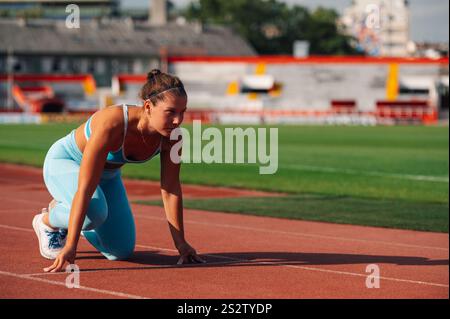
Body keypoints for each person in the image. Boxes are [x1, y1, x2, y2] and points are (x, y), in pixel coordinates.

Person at [32, 69, 204, 273]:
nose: (178, 120)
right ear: (148, 106)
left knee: (120, 251)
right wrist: (71, 246)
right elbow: (86, 187)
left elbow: (170, 189)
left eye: (182, 112)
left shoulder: (173, 138)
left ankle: (76, 215)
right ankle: (48, 221)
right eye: (171, 112)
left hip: (107, 176)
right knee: (93, 212)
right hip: (67, 163)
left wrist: (181, 244)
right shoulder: (113, 123)